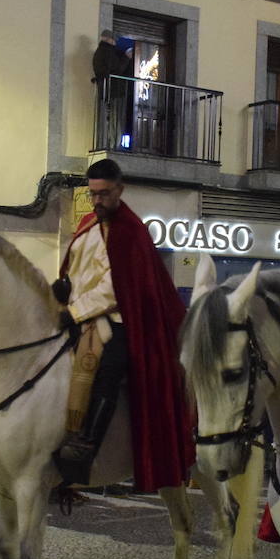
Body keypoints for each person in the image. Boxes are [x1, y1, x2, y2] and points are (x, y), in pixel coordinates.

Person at [51, 158, 193, 490]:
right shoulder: (87, 223)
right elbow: (81, 271)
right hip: (78, 313)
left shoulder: (131, 231)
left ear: (120, 190)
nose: (97, 201)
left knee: (109, 368)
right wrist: (65, 288)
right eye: (93, 194)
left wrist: (74, 313)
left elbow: (115, 289)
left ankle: (86, 444)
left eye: (104, 194)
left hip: (116, 319)